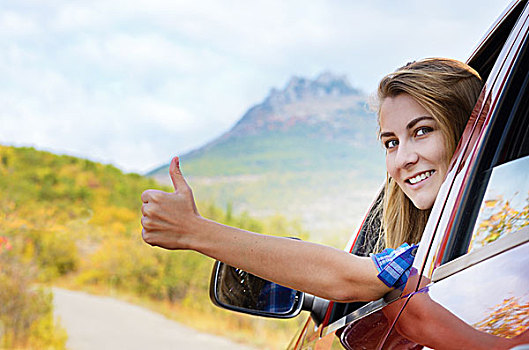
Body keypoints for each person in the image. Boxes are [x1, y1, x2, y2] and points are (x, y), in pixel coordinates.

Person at [140, 58, 482, 302]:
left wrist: (195, 231)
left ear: (468, 132)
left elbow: (351, 277)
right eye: (390, 142)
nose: (402, 159)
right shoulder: (445, 242)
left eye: (422, 131)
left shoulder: (465, 242)